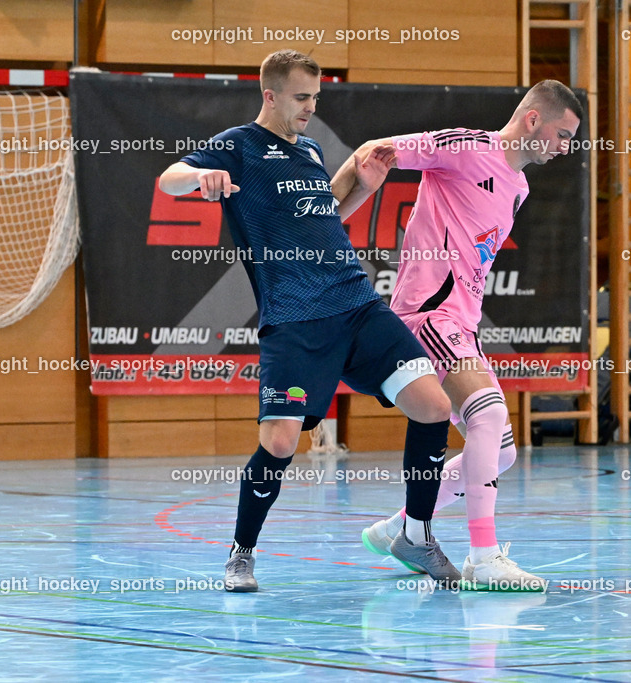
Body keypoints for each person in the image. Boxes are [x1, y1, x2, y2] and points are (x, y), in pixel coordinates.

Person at [158, 49, 462, 591]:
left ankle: (415, 534)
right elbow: (169, 179)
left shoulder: (312, 150)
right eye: (301, 98)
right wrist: (198, 181)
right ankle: (240, 554)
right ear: (269, 95)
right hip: (296, 319)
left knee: (435, 407)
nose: (309, 107)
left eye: (316, 98)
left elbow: (324, 219)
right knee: (279, 443)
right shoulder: (238, 146)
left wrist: (363, 187)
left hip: (356, 304)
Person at [352, 81, 583, 591]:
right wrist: (333, 209)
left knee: (500, 451)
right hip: (428, 316)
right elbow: (377, 152)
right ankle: (483, 557)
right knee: (491, 412)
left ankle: (403, 528)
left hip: (463, 326)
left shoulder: (518, 188)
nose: (565, 147)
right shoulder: (468, 148)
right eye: (563, 134)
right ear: (532, 120)